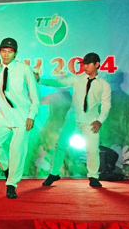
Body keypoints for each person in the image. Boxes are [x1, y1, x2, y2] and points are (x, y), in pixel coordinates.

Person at [38, 52, 111, 188]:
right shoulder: (77, 79)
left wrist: (100, 120)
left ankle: (93, 176)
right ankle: (53, 173)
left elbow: (106, 105)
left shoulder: (103, 85)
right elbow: (58, 83)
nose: (85, 67)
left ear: (97, 64)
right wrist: (40, 79)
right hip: (72, 119)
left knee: (92, 150)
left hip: (91, 122)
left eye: (88, 64)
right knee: (60, 145)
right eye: (84, 64)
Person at [0, 38, 40, 199]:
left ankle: (11, 184)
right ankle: (7, 168)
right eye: (4, 51)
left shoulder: (24, 69)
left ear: (15, 53)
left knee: (17, 151)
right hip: (4, 115)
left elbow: (35, 95)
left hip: (22, 116)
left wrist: (31, 115)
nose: (6, 55)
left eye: (10, 52)